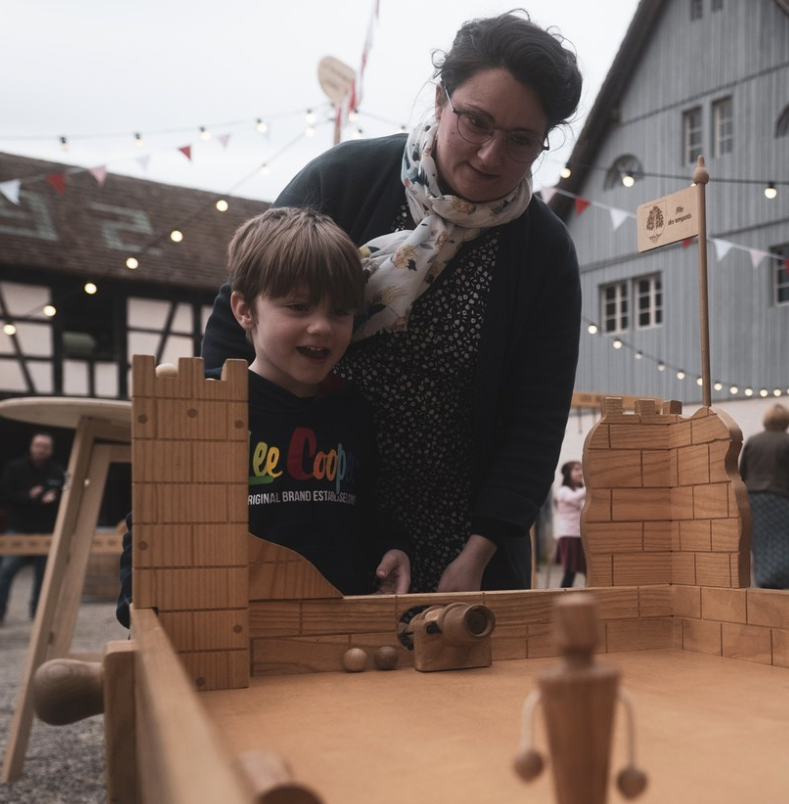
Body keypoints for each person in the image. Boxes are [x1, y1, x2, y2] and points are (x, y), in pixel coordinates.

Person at [203, 12, 583, 595]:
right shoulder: (344, 181)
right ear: (440, 99)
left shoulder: (544, 251)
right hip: (310, 507)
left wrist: (478, 554)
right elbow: (235, 333)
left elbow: (537, 419)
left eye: (521, 140)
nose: (488, 155)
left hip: (461, 537)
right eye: (475, 122)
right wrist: (219, 485)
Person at [229, 206, 411, 596]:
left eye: (340, 312)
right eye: (298, 307)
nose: (322, 327)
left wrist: (390, 548)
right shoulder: (212, 405)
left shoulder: (352, 409)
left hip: (337, 625)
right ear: (245, 310)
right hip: (237, 624)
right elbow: (156, 520)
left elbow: (368, 509)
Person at [0, 432, 64, 627]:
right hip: (19, 528)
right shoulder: (15, 468)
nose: (41, 449)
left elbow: (64, 499)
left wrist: (52, 500)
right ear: (31, 447)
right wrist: (30, 497)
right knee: (6, 571)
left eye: (45, 446)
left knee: (44, 576)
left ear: (51, 450)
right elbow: (4, 496)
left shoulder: (57, 472)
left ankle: (38, 615)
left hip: (46, 530)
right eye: (38, 445)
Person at [740, 404, 789, 589]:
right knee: (781, 538)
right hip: (779, 497)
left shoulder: (753, 441)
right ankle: (781, 577)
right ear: (787, 421)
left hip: (754, 499)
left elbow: (741, 472)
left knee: (759, 539)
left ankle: (763, 578)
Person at [553, 460, 586, 588]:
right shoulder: (563, 491)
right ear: (568, 473)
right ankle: (563, 596)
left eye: (581, 469)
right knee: (570, 572)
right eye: (576, 469)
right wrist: (591, 485)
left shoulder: (580, 491)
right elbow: (574, 498)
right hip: (568, 535)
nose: (580, 473)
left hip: (580, 536)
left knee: (587, 570)